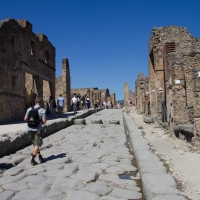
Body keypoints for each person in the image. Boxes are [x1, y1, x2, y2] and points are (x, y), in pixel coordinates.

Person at [24, 96, 46, 166]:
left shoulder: (29, 109)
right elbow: (44, 121)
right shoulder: (42, 110)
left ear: (35, 102)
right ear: (41, 103)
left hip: (30, 128)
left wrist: (31, 121)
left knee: (35, 144)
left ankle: (40, 157)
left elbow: (25, 118)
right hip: (37, 129)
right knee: (37, 144)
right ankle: (33, 159)